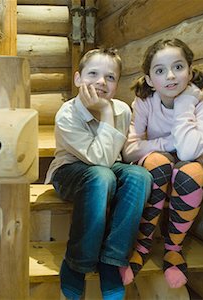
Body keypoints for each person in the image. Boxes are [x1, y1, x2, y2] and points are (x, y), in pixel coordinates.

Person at [45, 48, 152, 300]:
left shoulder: (123, 110)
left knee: (140, 177)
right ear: (78, 79)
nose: (101, 82)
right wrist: (105, 112)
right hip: (70, 171)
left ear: (117, 84)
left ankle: (111, 261)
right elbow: (100, 161)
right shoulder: (67, 114)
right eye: (93, 73)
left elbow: (116, 157)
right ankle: (77, 263)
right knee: (101, 176)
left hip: (106, 171)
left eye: (110, 77)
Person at [119, 38, 203, 289]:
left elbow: (187, 151)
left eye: (178, 67)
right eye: (160, 70)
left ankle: (173, 249)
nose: (170, 76)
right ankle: (142, 246)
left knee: (192, 172)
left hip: (187, 166)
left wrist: (185, 102)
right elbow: (130, 150)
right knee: (157, 162)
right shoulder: (144, 102)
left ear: (190, 70)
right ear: (149, 79)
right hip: (156, 165)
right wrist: (168, 143)